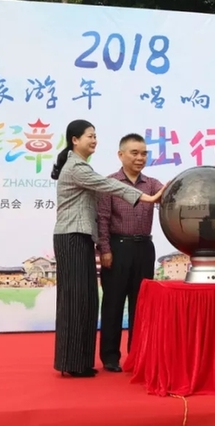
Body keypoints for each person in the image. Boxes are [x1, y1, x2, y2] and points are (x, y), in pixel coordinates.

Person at [50, 120, 164, 378]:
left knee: (86, 301)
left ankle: (81, 361)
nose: (94, 140)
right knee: (80, 301)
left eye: (95, 136)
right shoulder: (79, 168)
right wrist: (143, 197)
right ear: (74, 140)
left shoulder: (83, 166)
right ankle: (79, 362)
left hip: (99, 240)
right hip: (80, 237)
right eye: (89, 136)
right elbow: (108, 192)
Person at [96, 133, 163, 373]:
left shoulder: (152, 184)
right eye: (134, 153)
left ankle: (137, 355)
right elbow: (102, 219)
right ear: (121, 154)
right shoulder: (109, 183)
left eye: (144, 153)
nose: (140, 158)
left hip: (144, 248)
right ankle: (110, 357)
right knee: (113, 304)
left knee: (141, 306)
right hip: (117, 248)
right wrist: (105, 250)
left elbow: (171, 195)